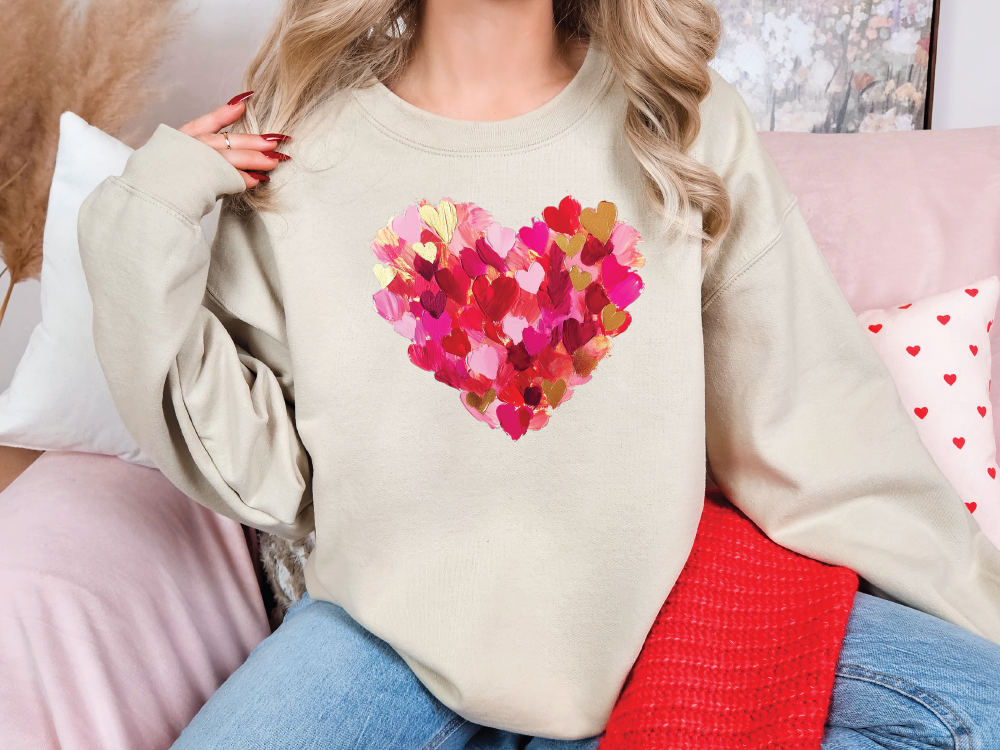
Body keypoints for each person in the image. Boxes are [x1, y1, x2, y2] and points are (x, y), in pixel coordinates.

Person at [77, 0, 1000, 747]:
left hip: (662, 627)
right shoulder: (300, 143)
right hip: (384, 642)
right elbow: (265, 476)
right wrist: (145, 220)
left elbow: (809, 421)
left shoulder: (680, 121)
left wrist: (977, 600)